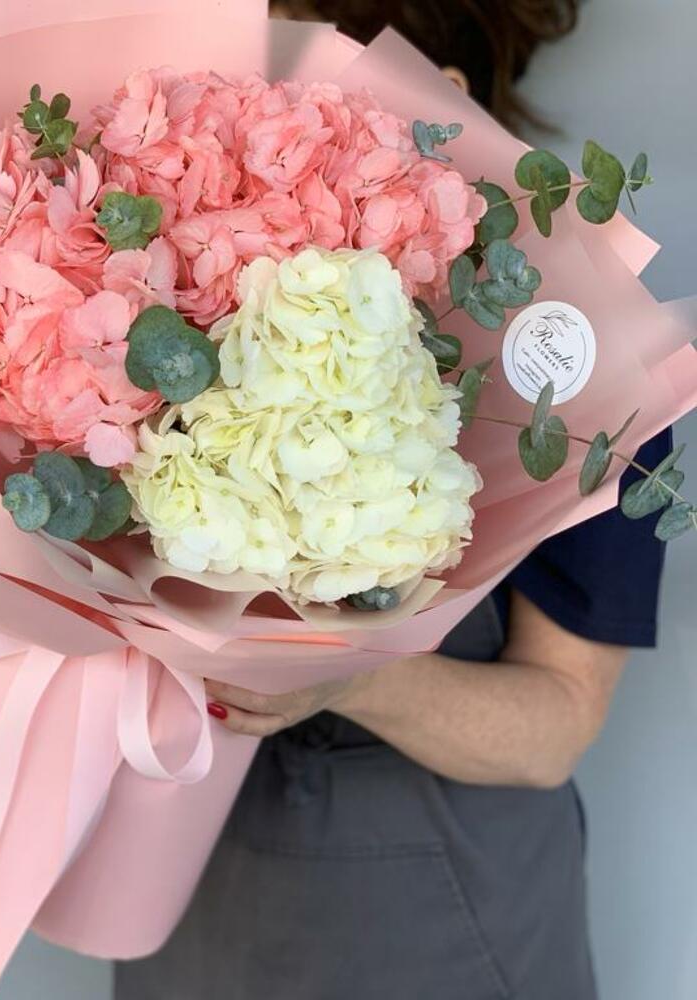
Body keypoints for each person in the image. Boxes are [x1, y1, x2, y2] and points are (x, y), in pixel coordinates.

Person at [114, 2, 674, 998]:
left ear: (432, 101)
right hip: (195, 878)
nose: (251, 127)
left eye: (290, 97)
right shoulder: (174, 307)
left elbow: (555, 725)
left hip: (435, 911)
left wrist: (344, 677)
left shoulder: (575, 355)